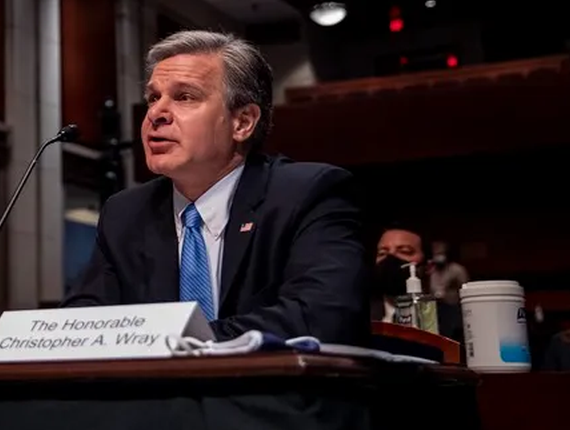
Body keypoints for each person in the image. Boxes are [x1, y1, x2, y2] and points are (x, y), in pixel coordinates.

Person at [63, 30, 368, 344]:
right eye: (154, 97)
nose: (155, 114)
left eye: (184, 97)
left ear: (242, 122)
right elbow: (84, 320)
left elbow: (323, 316)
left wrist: (181, 343)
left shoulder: (307, 194)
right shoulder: (125, 213)